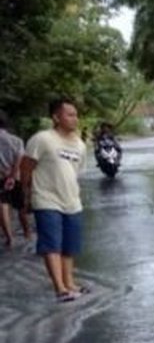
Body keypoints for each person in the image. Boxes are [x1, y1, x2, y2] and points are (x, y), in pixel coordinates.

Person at [20, 98, 87, 302]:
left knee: (69, 246)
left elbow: (76, 173)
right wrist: (26, 192)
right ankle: (60, 289)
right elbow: (26, 167)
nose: (74, 119)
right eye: (69, 115)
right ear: (56, 117)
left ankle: (70, 283)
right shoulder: (42, 139)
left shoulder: (80, 145)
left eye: (76, 115)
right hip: (46, 198)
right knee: (52, 244)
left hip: (72, 200)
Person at [0, 110, 28, 247]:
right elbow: (20, 158)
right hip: (16, 177)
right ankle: (27, 233)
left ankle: (9, 238)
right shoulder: (17, 140)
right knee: (21, 207)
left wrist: (4, 173)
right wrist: (12, 175)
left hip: (1, 177)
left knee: (2, 206)